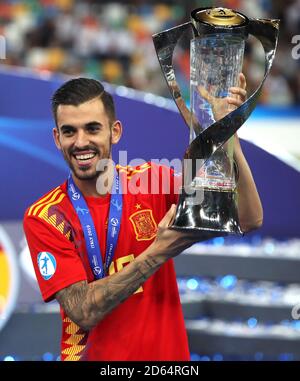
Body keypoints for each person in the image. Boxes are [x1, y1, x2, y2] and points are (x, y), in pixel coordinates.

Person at [23, 77, 263, 361]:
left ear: (115, 132)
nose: (80, 142)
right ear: (56, 138)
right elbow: (83, 311)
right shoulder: (47, 217)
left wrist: (228, 131)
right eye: (69, 131)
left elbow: (248, 217)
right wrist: (159, 251)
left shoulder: (153, 182)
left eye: (92, 128)